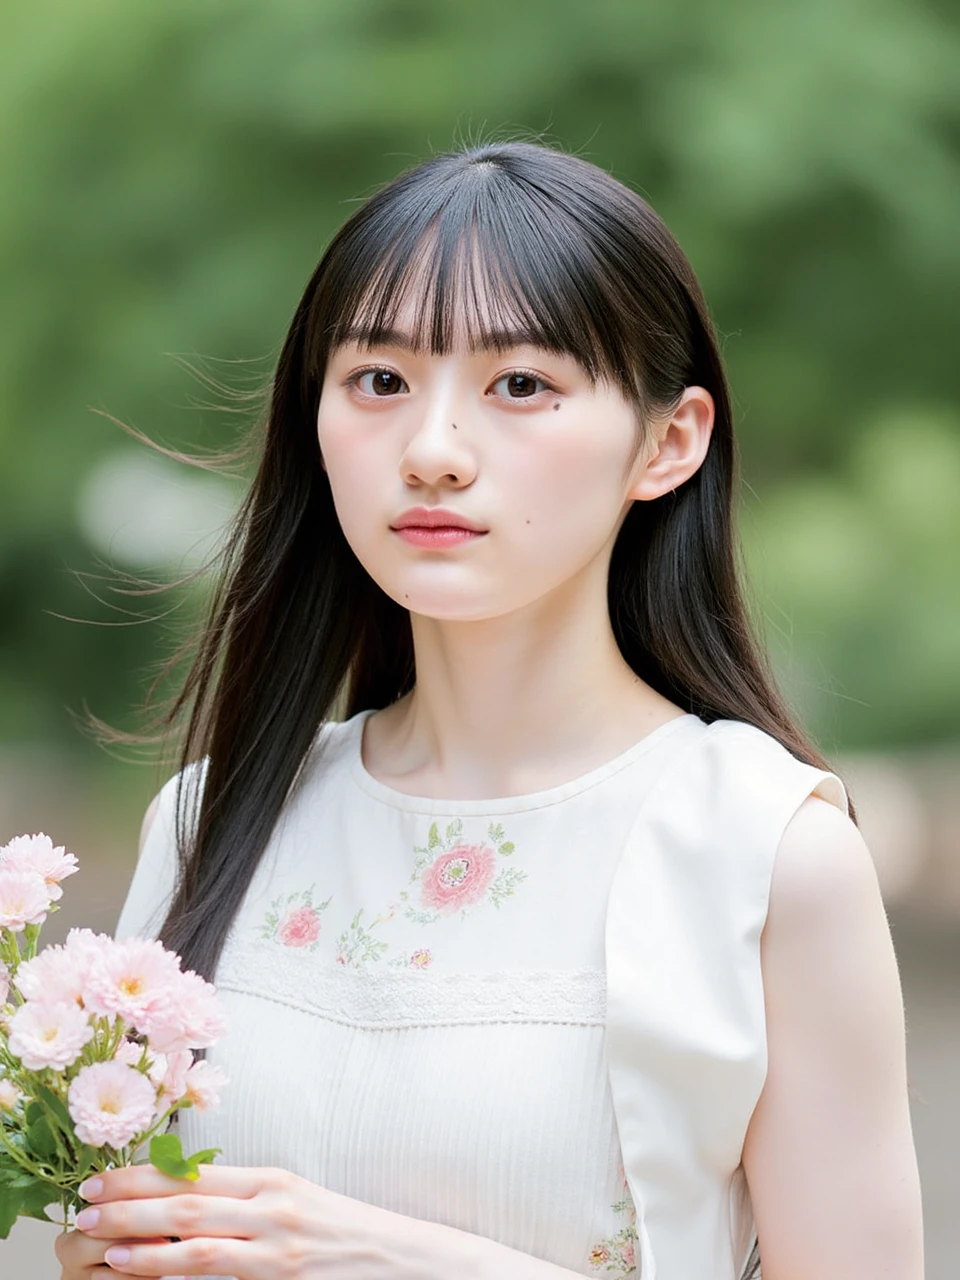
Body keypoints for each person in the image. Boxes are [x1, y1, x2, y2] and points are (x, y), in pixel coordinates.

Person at [56, 140, 923, 1280]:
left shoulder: (762, 854)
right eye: (379, 381)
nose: (430, 451)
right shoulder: (209, 822)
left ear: (670, 442)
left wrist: (391, 1258)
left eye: (522, 385)